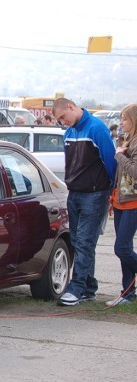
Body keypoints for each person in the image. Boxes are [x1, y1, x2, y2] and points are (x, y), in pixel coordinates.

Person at [52, 98, 117, 306]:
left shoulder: (97, 128)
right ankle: (88, 287)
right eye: (60, 120)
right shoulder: (69, 133)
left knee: (85, 242)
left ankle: (77, 287)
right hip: (75, 193)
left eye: (63, 117)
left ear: (71, 107)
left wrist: (110, 191)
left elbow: (111, 160)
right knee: (79, 242)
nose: (63, 122)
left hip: (95, 194)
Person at [107, 104, 137, 306]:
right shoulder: (127, 140)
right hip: (120, 200)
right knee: (124, 246)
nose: (121, 123)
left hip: (132, 202)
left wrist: (119, 155)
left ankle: (127, 292)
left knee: (122, 248)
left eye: (124, 119)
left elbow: (134, 172)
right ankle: (127, 292)